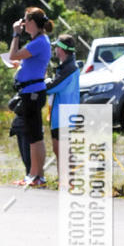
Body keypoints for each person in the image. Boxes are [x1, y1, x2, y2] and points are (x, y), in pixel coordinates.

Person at [8, 6, 53, 188]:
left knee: (34, 136)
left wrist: (16, 34)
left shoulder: (39, 42)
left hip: (32, 93)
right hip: (31, 92)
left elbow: (12, 55)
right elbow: (21, 60)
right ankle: (36, 175)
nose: (23, 23)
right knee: (34, 135)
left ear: (33, 23)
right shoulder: (39, 41)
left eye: (26, 20)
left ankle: (35, 176)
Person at [46, 33, 80, 171]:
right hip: (61, 116)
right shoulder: (67, 66)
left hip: (63, 116)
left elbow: (52, 87)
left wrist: (43, 82)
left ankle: (69, 183)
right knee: (59, 149)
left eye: (56, 47)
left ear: (61, 49)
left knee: (63, 151)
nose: (54, 50)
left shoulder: (69, 69)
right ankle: (65, 182)